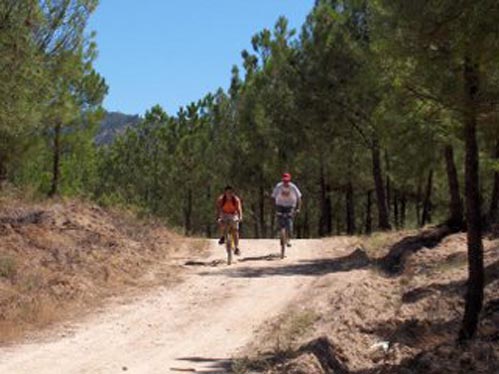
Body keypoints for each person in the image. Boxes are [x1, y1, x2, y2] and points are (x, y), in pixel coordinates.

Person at [272, 173, 302, 247]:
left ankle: (288, 239)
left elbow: (299, 198)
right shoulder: (278, 186)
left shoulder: (293, 187)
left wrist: (298, 208)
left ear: (289, 180)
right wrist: (274, 208)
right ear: (282, 180)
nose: (286, 182)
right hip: (280, 205)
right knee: (280, 220)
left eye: (287, 181)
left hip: (290, 205)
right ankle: (282, 235)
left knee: (289, 223)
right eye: (284, 181)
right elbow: (273, 197)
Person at [216, 186, 243, 255]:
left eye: (230, 192)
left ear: (232, 193)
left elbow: (239, 209)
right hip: (224, 213)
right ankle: (222, 236)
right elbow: (218, 209)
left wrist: (240, 217)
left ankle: (237, 247)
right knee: (222, 223)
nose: (229, 194)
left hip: (233, 214)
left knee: (235, 230)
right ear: (225, 192)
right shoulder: (221, 199)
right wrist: (218, 217)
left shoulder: (236, 200)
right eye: (227, 192)